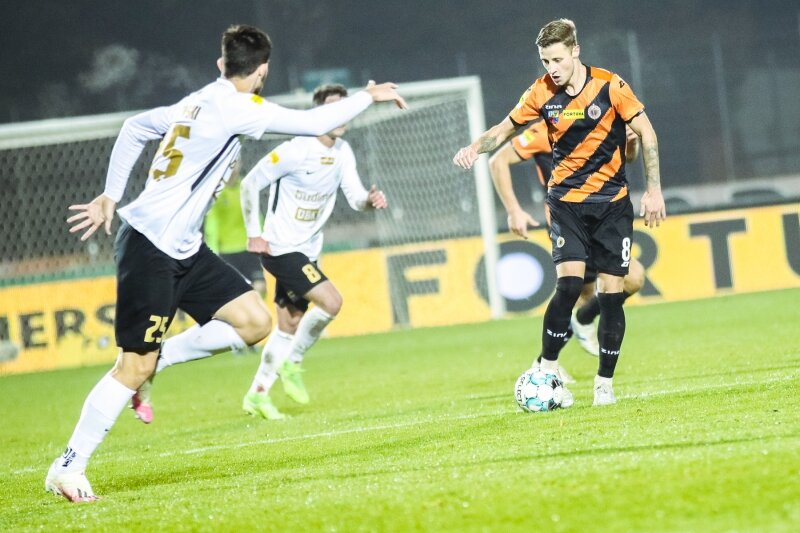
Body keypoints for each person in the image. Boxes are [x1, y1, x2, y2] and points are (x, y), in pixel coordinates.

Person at [47, 24, 407, 503]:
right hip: (151, 245)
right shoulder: (238, 106)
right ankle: (68, 467)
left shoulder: (195, 101)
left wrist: (112, 193)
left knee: (254, 321)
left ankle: (159, 360)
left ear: (221, 64)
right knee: (131, 367)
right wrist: (367, 96)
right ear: (262, 72)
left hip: (185, 247)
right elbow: (314, 122)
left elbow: (134, 127)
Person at [133, 84, 389, 421]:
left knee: (288, 324)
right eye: (333, 108)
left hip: (308, 249)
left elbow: (355, 198)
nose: (341, 116)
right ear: (319, 113)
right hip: (280, 248)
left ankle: (257, 395)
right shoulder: (294, 150)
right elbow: (251, 182)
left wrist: (369, 201)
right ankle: (293, 362)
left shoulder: (343, 152)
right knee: (332, 302)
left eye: (344, 108)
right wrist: (254, 233)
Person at [454, 18, 664, 408]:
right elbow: (502, 131)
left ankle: (603, 385)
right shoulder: (541, 92)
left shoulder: (610, 86)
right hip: (565, 204)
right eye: (545, 61)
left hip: (612, 206)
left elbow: (646, 134)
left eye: (557, 59)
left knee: (613, 294)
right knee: (568, 286)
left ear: (575, 52)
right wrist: (474, 148)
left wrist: (653, 190)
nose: (552, 68)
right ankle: (546, 370)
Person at [488, 121, 646, 358]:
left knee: (587, 294)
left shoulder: (598, 120)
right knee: (625, 279)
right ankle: (561, 345)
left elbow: (627, 158)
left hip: (601, 217)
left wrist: (631, 144)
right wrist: (514, 211)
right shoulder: (543, 130)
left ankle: (548, 358)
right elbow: (498, 161)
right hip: (569, 222)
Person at [203, 162, 267, 302]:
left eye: (237, 164)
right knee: (234, 293)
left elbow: (256, 216)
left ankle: (253, 312)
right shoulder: (217, 192)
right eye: (232, 164)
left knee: (260, 286)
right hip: (227, 252)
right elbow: (211, 225)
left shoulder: (246, 187)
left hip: (248, 248)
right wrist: (213, 252)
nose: (234, 169)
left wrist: (262, 239)